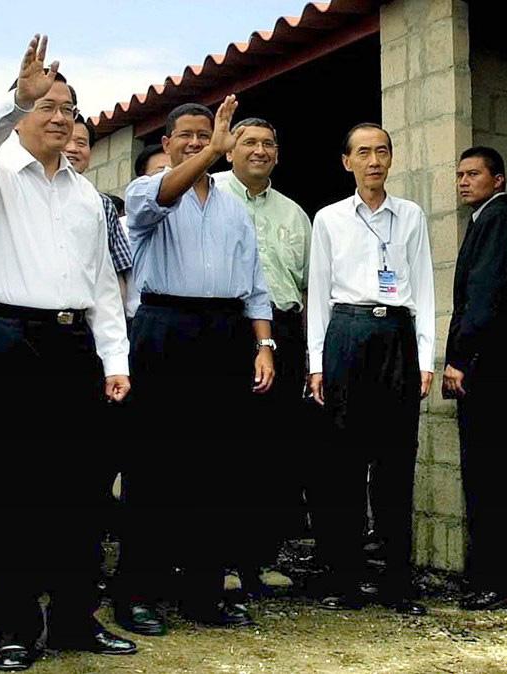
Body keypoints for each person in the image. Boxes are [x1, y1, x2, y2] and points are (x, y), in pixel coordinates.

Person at [0, 35, 134, 672]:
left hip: (73, 344)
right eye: (46, 104)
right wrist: (13, 95)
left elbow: (103, 286)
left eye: (69, 107)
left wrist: (115, 361)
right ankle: (14, 629)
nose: (60, 116)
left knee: (80, 492)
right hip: (6, 343)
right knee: (10, 493)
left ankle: (78, 619)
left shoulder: (87, 195)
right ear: (24, 111)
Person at [113, 98, 274, 636]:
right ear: (167, 143)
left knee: (217, 469)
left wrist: (264, 342)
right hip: (164, 328)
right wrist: (209, 153)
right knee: (155, 467)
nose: (198, 141)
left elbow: (253, 281)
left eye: (206, 133)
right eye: (187, 135)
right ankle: (137, 593)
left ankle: (203, 592)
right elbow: (162, 195)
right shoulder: (149, 190)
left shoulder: (232, 206)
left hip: (223, 333)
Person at [307, 122, 434, 615]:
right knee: (342, 462)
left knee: (396, 463)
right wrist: (317, 363)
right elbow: (318, 293)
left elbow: (423, 286)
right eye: (363, 152)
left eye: (382, 151)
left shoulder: (412, 216)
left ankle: (397, 582)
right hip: (347, 333)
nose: (374, 161)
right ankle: (344, 577)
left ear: (392, 159)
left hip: (397, 338)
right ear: (347, 162)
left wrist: (425, 358)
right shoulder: (329, 219)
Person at [445, 146, 507, 610]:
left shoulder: (498, 220)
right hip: (501, 371)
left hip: (491, 371)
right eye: (460, 174)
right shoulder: (489, 219)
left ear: (498, 179)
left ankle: (498, 581)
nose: (464, 181)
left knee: (492, 477)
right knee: (504, 474)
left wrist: (459, 359)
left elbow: (483, 299)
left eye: (474, 174)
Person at [214, 117, 312, 592]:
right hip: (229, 329)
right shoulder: (208, 195)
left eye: (268, 143)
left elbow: (311, 288)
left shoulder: (295, 214)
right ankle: (222, 562)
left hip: (286, 332)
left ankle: (261, 558)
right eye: (248, 142)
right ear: (229, 149)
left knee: (275, 449)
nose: (259, 150)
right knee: (228, 447)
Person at [63, 114, 132, 307]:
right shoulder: (27, 195)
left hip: (86, 317)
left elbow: (116, 272)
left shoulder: (103, 205)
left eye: (81, 143)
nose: (72, 149)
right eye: (66, 140)